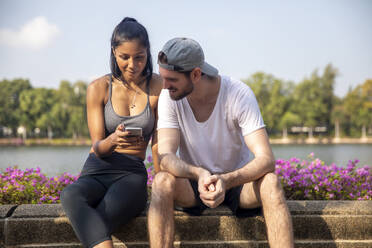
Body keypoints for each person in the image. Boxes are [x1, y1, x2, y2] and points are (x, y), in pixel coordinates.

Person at [147, 37, 294, 248]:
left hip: (236, 184)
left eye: (172, 79)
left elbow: (266, 159)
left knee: (270, 183)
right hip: (194, 184)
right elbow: (166, 157)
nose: (165, 85)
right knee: (161, 181)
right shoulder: (168, 97)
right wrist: (199, 174)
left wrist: (225, 180)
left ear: (196, 74)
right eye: (163, 78)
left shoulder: (238, 93)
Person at [61, 17, 162, 248]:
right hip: (98, 167)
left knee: (97, 221)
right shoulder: (98, 88)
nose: (132, 64)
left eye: (139, 57)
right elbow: (97, 146)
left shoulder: (158, 87)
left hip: (131, 173)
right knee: (70, 195)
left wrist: (160, 182)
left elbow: (158, 142)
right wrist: (113, 139)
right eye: (124, 57)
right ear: (113, 52)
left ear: (147, 53)